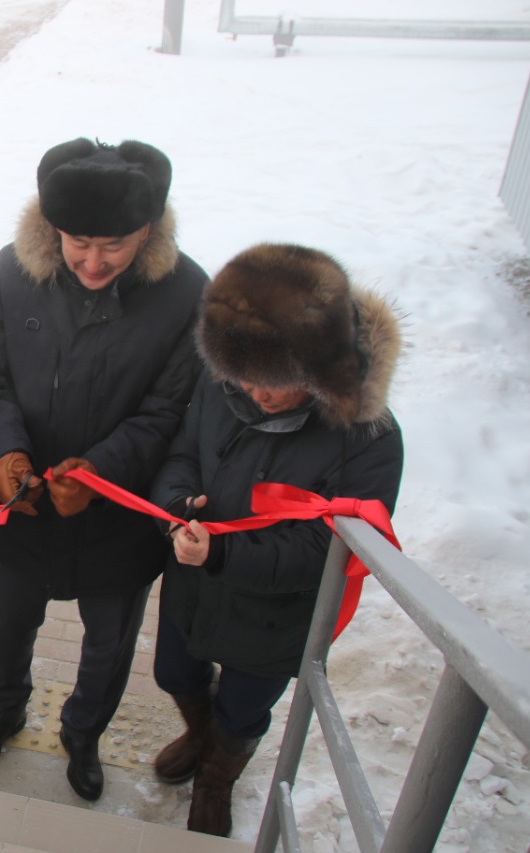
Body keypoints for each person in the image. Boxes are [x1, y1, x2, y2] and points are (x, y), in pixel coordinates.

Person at [0, 138, 208, 801]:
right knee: (8, 625)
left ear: (147, 232)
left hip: (117, 517)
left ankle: (82, 731)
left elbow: (168, 411)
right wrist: (8, 453)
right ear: (52, 229)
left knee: (109, 642)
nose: (93, 261)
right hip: (28, 504)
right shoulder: (13, 274)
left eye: (115, 245)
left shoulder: (185, 292)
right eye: (78, 242)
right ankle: (2, 709)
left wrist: (100, 472)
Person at [149, 243, 404, 837]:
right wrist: (176, 504)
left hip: (276, 613)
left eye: (273, 383)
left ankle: (217, 777)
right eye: (241, 377)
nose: (253, 394)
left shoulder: (367, 439)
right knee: (174, 673)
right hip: (196, 583)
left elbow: (330, 550)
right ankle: (197, 731)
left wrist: (225, 552)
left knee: (242, 709)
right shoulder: (225, 381)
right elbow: (184, 453)